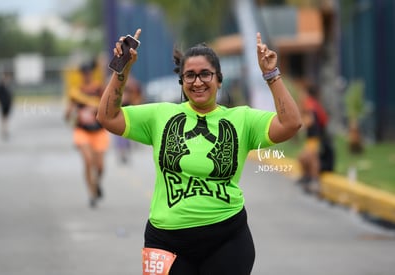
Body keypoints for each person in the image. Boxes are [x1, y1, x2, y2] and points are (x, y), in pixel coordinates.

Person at [97, 28, 302, 274]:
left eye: (205, 74)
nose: (197, 82)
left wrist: (271, 74)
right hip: (165, 240)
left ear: (219, 78)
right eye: (190, 76)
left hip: (226, 239)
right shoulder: (160, 115)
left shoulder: (242, 119)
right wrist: (122, 69)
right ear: (181, 81)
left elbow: (291, 123)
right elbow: (108, 117)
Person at [65, 63, 110, 208]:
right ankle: (92, 194)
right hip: (82, 131)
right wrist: (71, 113)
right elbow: (68, 115)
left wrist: (94, 108)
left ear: (92, 73)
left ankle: (96, 183)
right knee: (88, 161)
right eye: (84, 73)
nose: (87, 75)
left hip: (98, 131)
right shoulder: (76, 92)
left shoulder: (99, 89)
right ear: (81, 75)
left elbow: (107, 106)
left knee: (100, 166)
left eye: (88, 73)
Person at [297, 84, 334, 194]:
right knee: (303, 158)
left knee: (311, 158)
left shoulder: (310, 104)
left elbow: (309, 121)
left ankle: (314, 181)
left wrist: (300, 125)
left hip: (317, 139)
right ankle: (307, 178)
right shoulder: (313, 104)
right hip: (313, 139)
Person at [113, 74, 143, 163]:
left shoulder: (132, 84)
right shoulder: (116, 82)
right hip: (118, 110)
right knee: (119, 134)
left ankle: (126, 150)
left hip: (128, 110)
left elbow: (138, 95)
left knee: (127, 131)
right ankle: (122, 152)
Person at [0, 72, 13, 140]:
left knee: (6, 118)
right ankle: (4, 131)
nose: (8, 79)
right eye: (7, 78)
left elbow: (10, 95)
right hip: (3, 104)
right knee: (3, 118)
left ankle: (5, 130)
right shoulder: (0, 86)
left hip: (8, 104)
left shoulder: (8, 85)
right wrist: (0, 102)